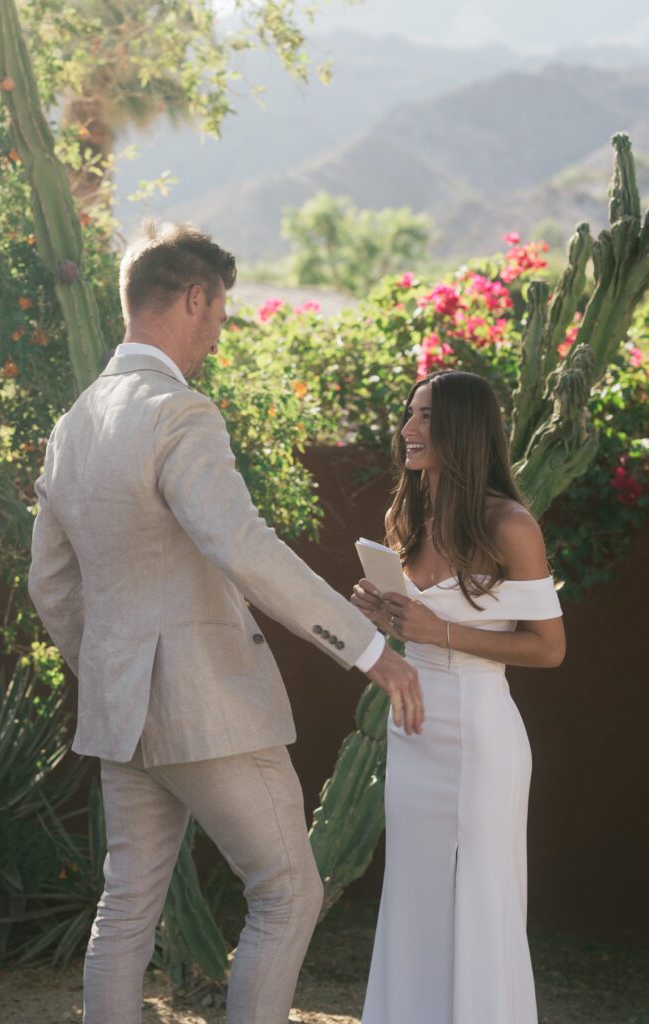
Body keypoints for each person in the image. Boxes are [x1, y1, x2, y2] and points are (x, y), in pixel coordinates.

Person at [27, 221, 424, 1024]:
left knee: (127, 908)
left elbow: (50, 584)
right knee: (287, 891)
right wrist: (370, 650)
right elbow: (240, 544)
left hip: (121, 713)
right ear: (195, 299)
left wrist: (112, 665)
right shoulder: (180, 413)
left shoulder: (75, 425)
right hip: (208, 709)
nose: (217, 333)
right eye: (218, 315)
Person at [351, 369, 565, 1024]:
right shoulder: (407, 517)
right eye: (409, 415)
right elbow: (409, 630)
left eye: (426, 418)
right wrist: (381, 613)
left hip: (480, 736)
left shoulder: (510, 526)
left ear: (463, 431)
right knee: (412, 899)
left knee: (478, 902)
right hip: (411, 736)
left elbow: (548, 648)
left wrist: (439, 631)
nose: (408, 430)